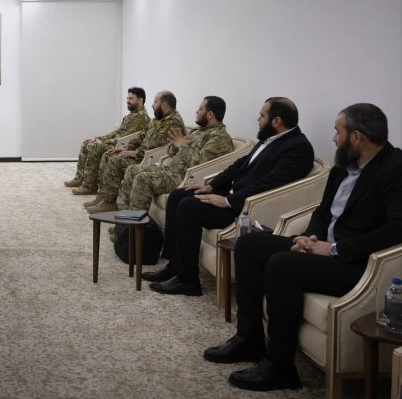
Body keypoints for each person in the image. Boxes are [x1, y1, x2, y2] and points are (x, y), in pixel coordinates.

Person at [204, 103, 402, 392]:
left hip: (358, 263)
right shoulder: (344, 165)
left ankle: (279, 366)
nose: (334, 138)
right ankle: (249, 339)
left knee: (283, 265)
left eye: (338, 132)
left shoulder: (394, 168)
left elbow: (397, 228)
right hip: (323, 248)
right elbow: (323, 211)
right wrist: (309, 238)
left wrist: (334, 249)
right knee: (249, 245)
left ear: (356, 137)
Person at [146, 97, 314, 296]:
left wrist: (228, 201)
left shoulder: (298, 147)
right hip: (232, 194)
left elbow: (270, 183)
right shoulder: (270, 139)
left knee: (188, 207)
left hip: (244, 208)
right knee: (178, 195)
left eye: (262, 115)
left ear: (276, 121)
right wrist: (211, 186)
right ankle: (174, 266)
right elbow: (239, 165)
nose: (258, 119)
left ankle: (188, 280)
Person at [117, 96, 234, 215]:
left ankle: (136, 223)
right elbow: (171, 152)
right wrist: (175, 145)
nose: (196, 112)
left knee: (142, 178)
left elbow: (200, 163)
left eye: (200, 109)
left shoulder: (219, 137)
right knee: (132, 170)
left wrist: (182, 146)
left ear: (210, 114)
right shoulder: (199, 131)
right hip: (170, 170)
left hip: (184, 178)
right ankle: (128, 216)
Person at [86, 91, 185, 213]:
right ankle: (104, 198)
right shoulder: (158, 119)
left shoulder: (172, 122)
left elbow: (156, 145)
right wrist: (126, 148)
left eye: (155, 102)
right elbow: (140, 137)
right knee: (110, 154)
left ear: (164, 105)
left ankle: (111, 204)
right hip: (141, 154)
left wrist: (136, 153)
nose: (152, 105)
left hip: (150, 159)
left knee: (116, 161)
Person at [64, 87, 150, 193]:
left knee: (95, 147)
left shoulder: (141, 118)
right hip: (117, 142)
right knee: (87, 142)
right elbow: (117, 132)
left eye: (131, 98)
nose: (127, 101)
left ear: (140, 100)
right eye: (127, 98)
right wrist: (99, 138)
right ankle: (79, 178)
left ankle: (89, 186)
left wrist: (102, 142)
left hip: (124, 146)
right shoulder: (132, 115)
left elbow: (126, 137)